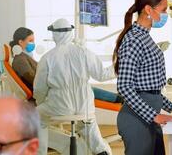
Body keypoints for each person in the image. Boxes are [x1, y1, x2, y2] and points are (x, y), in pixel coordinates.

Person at [113, 0, 172, 155]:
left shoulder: (144, 36)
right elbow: (124, 87)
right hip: (137, 120)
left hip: (149, 116)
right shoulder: (134, 40)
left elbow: (148, 85)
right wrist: (154, 116)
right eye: (163, 10)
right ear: (148, 9)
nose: (166, 14)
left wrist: (170, 106)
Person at [33, 18, 113, 155]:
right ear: (71, 33)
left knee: (36, 117)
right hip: (85, 105)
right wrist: (121, 65)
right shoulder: (84, 52)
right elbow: (102, 75)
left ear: (54, 35)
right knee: (88, 127)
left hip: (59, 105)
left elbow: (39, 89)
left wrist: (40, 103)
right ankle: (101, 151)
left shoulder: (47, 58)